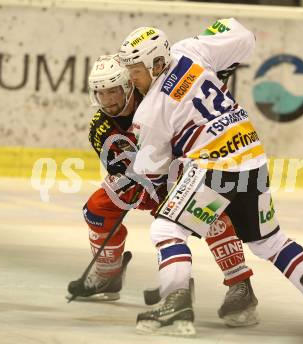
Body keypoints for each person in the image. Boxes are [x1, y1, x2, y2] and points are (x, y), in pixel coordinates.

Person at [119, 18, 303, 336]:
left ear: (157, 62)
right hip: (252, 160)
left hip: (213, 167)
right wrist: (217, 52)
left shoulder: (150, 110)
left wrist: (145, 171)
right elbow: (241, 35)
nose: (132, 77)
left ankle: (175, 306)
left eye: (137, 69)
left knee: (166, 228)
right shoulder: (192, 50)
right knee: (268, 240)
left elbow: (153, 168)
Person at [66, 54, 259, 327]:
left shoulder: (157, 103)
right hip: (147, 182)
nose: (108, 99)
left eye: (113, 90)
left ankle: (241, 285)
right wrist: (138, 177)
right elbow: (119, 171)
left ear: (128, 86)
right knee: (97, 208)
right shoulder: (99, 127)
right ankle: (108, 274)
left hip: (185, 173)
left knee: (210, 213)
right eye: (101, 93)